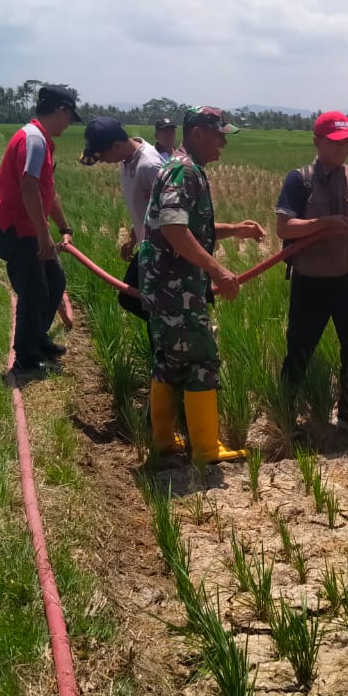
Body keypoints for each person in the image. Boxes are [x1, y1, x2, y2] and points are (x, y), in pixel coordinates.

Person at [138, 106, 265, 462]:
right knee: (201, 358)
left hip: (165, 287)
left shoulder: (184, 168)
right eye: (218, 134)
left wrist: (235, 229)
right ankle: (208, 450)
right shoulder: (183, 171)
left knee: (168, 359)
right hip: (176, 289)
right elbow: (174, 231)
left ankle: (163, 441)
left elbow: (189, 229)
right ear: (196, 134)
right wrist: (217, 271)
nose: (224, 141)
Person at [275, 111, 348, 437]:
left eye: (347, 143)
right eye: (336, 142)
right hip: (310, 282)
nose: (343, 149)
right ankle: (284, 416)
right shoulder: (299, 181)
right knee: (300, 349)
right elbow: (284, 226)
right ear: (317, 142)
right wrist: (322, 224)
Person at [0, 84, 81, 373]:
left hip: (29, 227)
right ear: (60, 111)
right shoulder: (34, 140)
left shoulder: (40, 139)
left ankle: (37, 339)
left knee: (54, 282)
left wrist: (64, 226)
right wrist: (43, 234)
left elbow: (47, 192)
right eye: (69, 116)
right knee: (34, 291)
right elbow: (28, 186)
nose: (69, 123)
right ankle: (26, 357)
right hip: (17, 229)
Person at [79, 116, 165, 319]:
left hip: (162, 254)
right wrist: (133, 238)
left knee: (142, 303)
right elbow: (147, 209)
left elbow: (170, 215)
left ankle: (187, 329)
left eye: (102, 156)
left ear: (117, 145)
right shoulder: (127, 160)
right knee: (132, 300)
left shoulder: (150, 166)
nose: (103, 161)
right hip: (147, 246)